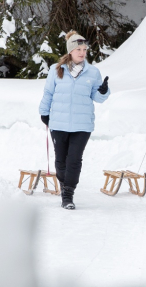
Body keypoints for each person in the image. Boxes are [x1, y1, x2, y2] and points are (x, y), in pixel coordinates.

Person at [38, 31, 110, 210]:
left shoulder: (93, 72)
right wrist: (44, 112)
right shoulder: (56, 70)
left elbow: (97, 97)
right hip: (59, 123)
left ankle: (68, 194)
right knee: (61, 161)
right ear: (70, 51)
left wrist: (103, 91)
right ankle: (64, 186)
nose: (82, 53)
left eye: (84, 49)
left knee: (74, 160)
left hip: (82, 124)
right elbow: (48, 93)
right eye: (79, 49)